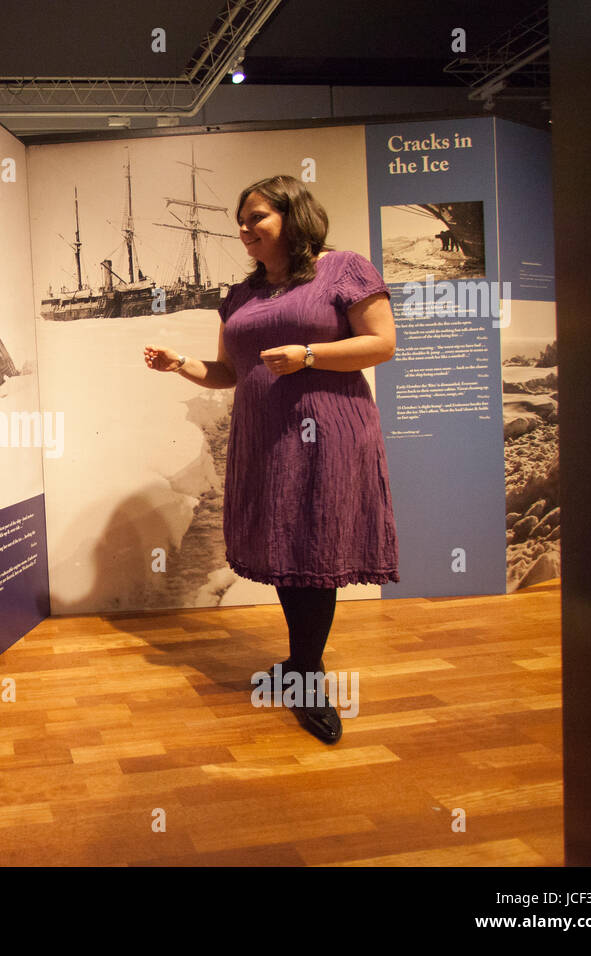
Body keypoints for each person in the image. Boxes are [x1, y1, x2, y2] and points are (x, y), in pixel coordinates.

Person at [142, 174, 398, 745]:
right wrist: (179, 363)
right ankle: (302, 662)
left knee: (318, 541)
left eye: (257, 217)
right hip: (263, 434)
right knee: (285, 540)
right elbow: (230, 372)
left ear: (293, 216)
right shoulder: (241, 295)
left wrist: (309, 354)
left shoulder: (344, 268)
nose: (244, 229)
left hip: (328, 429)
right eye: (241, 220)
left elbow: (382, 344)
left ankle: (307, 674)